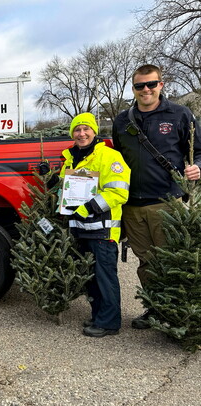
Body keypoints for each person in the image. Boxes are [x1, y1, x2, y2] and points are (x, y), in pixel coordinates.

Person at [112, 64, 201, 329]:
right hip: (132, 205)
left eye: (151, 84)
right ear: (134, 88)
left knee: (171, 258)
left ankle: (178, 313)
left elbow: (199, 151)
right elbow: (118, 158)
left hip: (166, 201)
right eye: (140, 86)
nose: (146, 90)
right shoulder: (122, 121)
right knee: (145, 261)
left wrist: (197, 167)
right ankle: (155, 308)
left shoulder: (180, 114)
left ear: (161, 84)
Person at [61, 112, 130, 337]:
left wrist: (89, 207)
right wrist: (52, 179)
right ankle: (99, 315)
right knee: (91, 277)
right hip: (82, 229)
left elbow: (118, 192)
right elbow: (66, 188)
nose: (81, 134)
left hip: (103, 229)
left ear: (94, 131)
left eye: (86, 129)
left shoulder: (110, 156)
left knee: (105, 277)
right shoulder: (72, 158)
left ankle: (109, 323)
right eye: (77, 130)